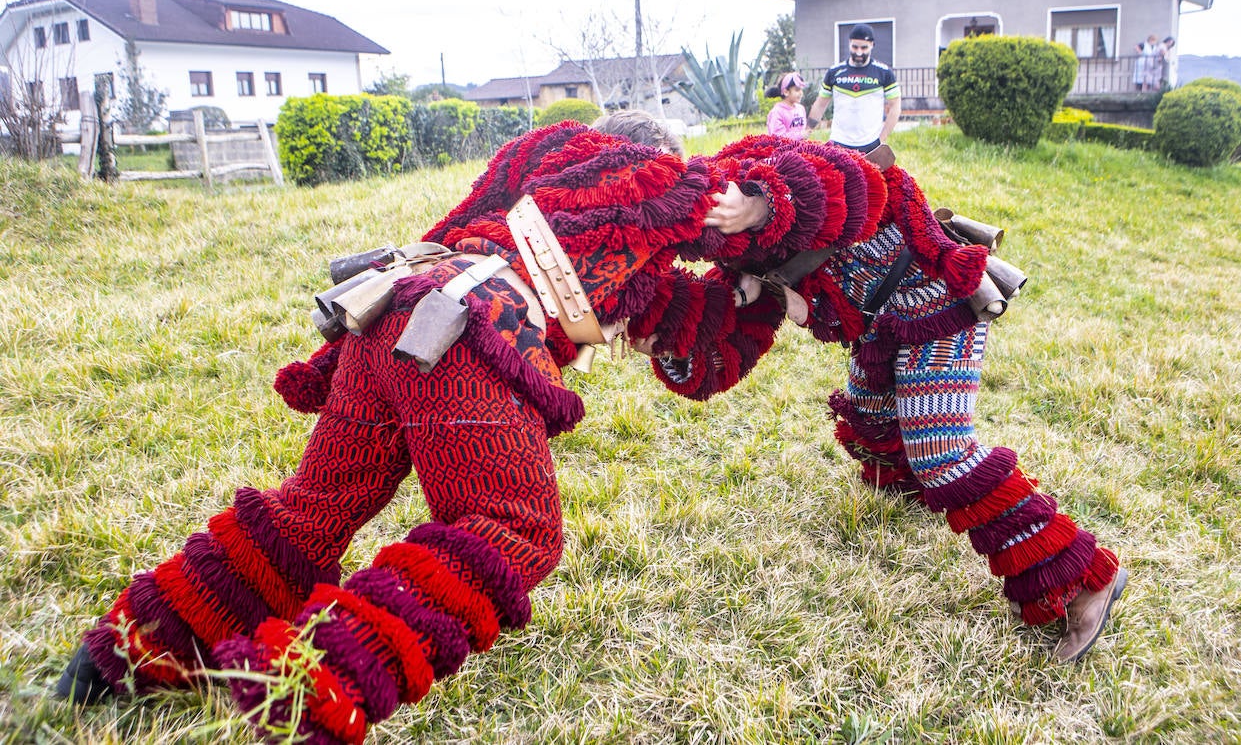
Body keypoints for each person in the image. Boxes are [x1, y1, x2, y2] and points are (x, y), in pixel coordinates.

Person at [53, 113, 1125, 743]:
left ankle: (138, 642)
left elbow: (692, 342)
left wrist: (759, 299)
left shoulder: (542, 161)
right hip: (469, 335)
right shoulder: (668, 189)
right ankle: (296, 692)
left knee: (315, 504)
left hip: (392, 309)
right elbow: (830, 184)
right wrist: (754, 210)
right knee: (513, 530)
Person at [808, 23, 901, 151]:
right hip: (839, 141)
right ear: (849, 43)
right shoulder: (834, 72)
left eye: (864, 48)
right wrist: (808, 129)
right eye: (855, 47)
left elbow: (895, 105)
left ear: (872, 45)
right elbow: (820, 104)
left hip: (871, 142)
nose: (858, 52)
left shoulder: (884, 72)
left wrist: (882, 138)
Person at [764, 71, 809, 140]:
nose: (801, 93)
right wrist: (800, 135)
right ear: (786, 92)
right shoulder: (777, 112)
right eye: (797, 90)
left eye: (801, 90)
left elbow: (803, 130)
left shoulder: (801, 109)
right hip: (783, 150)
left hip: (800, 150)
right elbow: (777, 137)